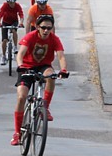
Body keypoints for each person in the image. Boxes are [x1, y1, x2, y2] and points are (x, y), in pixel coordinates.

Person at [11, 14, 69, 145]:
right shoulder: (30, 37)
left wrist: (63, 70)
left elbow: (61, 57)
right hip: (26, 67)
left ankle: (45, 107)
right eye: (43, 27)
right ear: (37, 27)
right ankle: (17, 133)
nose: (46, 31)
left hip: (43, 66)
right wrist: (20, 66)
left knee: (51, 76)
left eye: (49, 28)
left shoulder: (54, 39)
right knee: (21, 98)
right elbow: (20, 54)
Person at [0, 0, 25, 66]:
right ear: (7, 2)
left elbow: (21, 15)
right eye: (9, 3)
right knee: (4, 40)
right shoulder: (5, 5)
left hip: (14, 21)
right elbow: (0, 15)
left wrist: (21, 23)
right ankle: (3, 56)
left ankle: (15, 47)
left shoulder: (17, 6)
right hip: (5, 22)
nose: (11, 4)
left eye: (12, 2)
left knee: (14, 30)